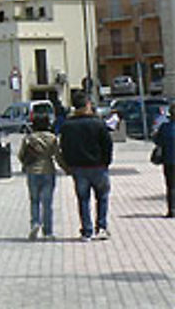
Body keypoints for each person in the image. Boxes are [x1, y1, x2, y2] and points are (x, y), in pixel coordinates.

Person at [59, 92, 113, 241]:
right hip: (98, 166)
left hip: (78, 168)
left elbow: (64, 147)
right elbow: (107, 145)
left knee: (83, 199)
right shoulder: (98, 123)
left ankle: (87, 231)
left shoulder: (68, 125)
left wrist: (69, 165)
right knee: (102, 197)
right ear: (88, 104)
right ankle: (101, 227)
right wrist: (106, 162)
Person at [17, 114, 64, 239]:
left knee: (34, 200)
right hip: (48, 170)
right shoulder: (52, 138)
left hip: (32, 171)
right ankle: (48, 231)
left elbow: (21, 155)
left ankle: (35, 224)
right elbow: (58, 155)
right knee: (47, 203)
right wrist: (66, 168)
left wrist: (26, 164)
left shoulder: (29, 139)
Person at [152, 104, 175, 218]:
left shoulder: (165, 127)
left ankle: (172, 209)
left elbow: (157, 141)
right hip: (169, 159)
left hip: (169, 160)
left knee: (171, 186)